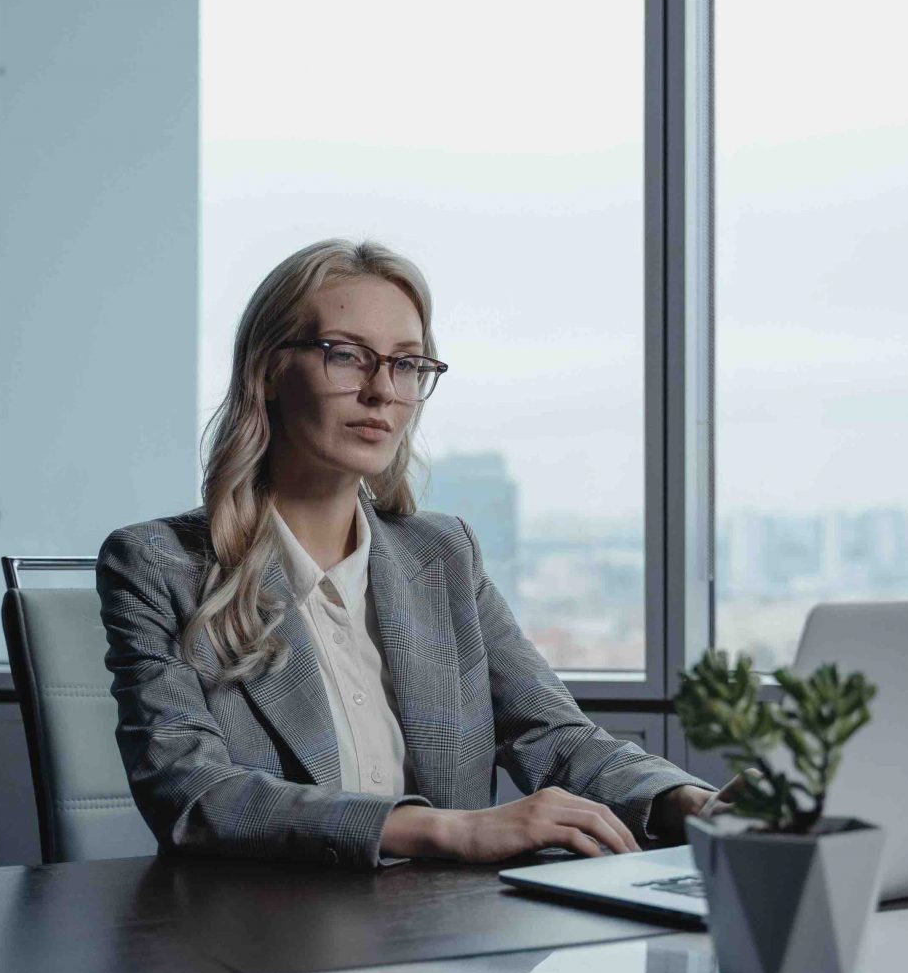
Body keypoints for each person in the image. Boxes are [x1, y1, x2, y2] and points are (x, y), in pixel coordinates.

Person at [96, 238, 736, 869]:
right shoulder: (158, 566)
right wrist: (444, 831)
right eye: (347, 356)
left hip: (443, 940)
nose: (383, 391)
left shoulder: (443, 556)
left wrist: (695, 804)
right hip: (262, 943)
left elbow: (554, 736)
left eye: (406, 364)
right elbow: (194, 794)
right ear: (267, 372)